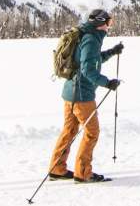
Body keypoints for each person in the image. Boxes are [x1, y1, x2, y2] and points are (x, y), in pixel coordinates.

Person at [48, 9, 123, 183]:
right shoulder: (91, 40)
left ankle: (57, 169)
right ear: (100, 23)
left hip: (70, 93)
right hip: (82, 95)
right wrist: (107, 83)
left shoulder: (85, 35)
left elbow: (92, 60)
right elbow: (88, 70)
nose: (109, 27)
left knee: (69, 131)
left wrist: (111, 52)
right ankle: (83, 173)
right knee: (92, 132)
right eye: (108, 23)